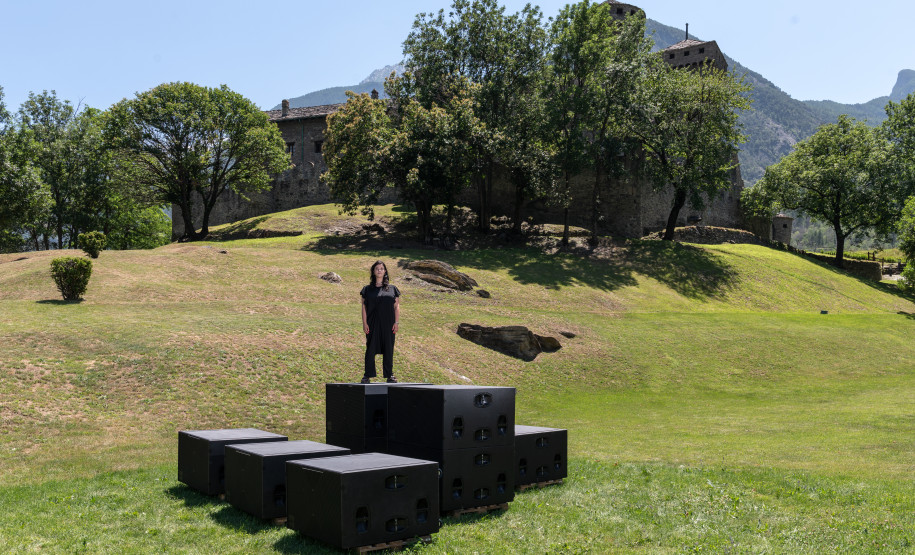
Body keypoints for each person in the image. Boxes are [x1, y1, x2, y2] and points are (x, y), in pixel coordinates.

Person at [360, 260, 400, 383]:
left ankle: (390, 375)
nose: (379, 270)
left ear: (385, 271)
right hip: (372, 323)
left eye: (382, 268)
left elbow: (397, 307)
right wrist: (365, 323)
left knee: (389, 348)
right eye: (377, 268)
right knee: (370, 348)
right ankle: (367, 375)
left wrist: (396, 322)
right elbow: (363, 307)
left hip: (389, 324)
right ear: (373, 271)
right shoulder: (367, 289)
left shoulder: (393, 289)